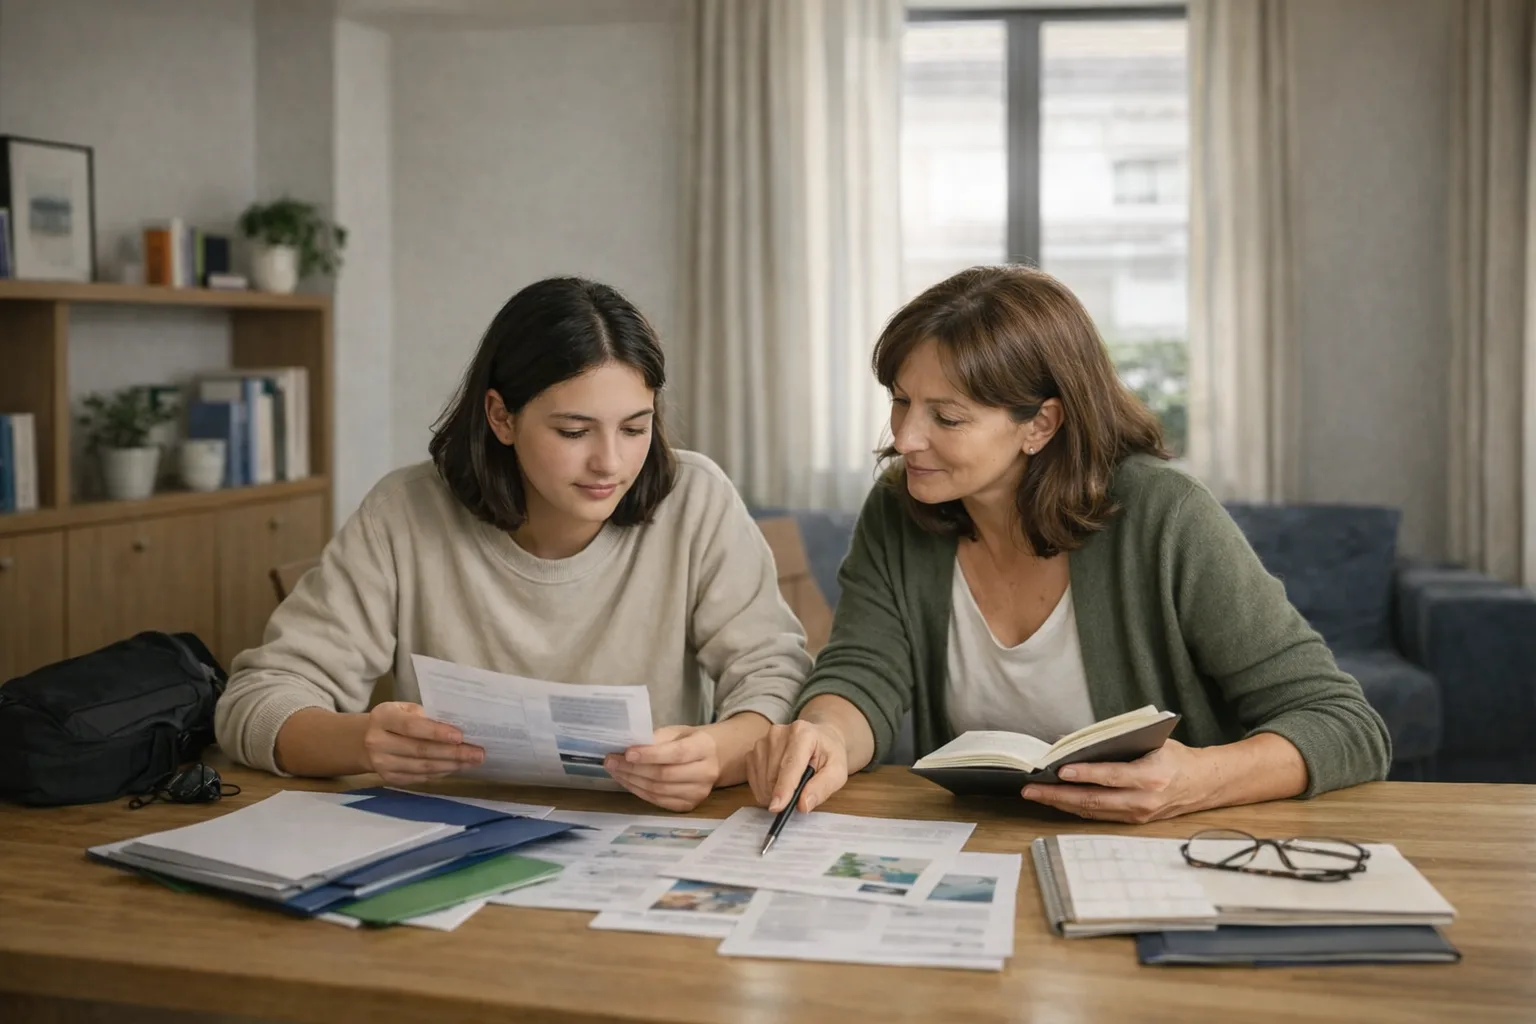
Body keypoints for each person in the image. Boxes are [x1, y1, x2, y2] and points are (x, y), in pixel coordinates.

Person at [745, 265, 1392, 824]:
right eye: (901, 401)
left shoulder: (1164, 517)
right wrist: (824, 734)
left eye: (946, 417)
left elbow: (1344, 724)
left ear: (1041, 424)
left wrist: (1196, 781)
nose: (907, 438)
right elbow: (863, 675)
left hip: (1160, 857)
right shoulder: (901, 509)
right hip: (982, 856)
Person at [214, 276, 812, 812]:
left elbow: (777, 677)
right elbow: (255, 702)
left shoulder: (696, 500)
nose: (611, 462)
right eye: (573, 431)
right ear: (501, 417)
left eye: (635, 427)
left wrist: (717, 753)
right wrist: (361, 741)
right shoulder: (406, 512)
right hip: (449, 842)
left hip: (639, 838)